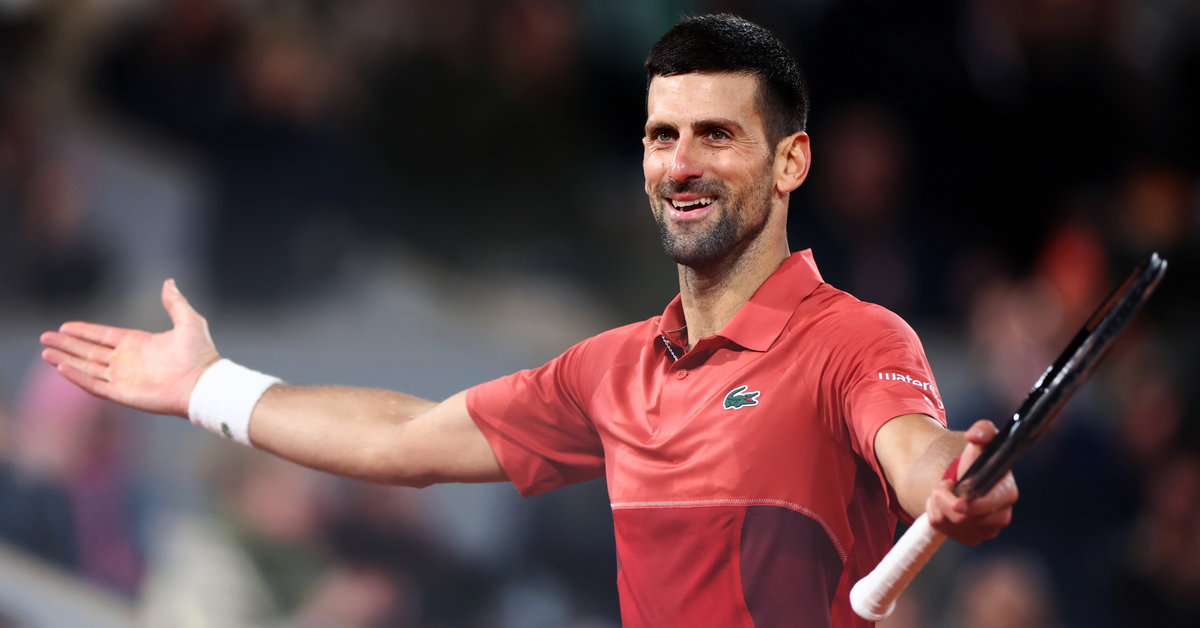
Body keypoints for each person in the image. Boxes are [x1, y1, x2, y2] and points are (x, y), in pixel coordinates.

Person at [39, 14, 1017, 628]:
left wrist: (953, 478)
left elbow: (915, 448)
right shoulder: (614, 368)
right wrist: (208, 386)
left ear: (792, 163)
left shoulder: (856, 340)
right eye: (662, 135)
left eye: (716, 134)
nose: (681, 163)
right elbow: (408, 438)